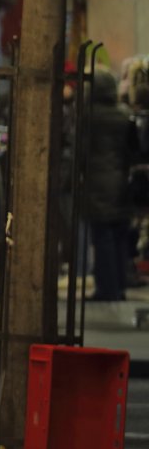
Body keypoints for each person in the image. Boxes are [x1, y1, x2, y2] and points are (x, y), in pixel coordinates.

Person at [82, 70, 138, 302]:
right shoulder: (124, 115)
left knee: (102, 237)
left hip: (97, 183)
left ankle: (107, 289)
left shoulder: (88, 116)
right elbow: (132, 152)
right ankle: (120, 286)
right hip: (122, 183)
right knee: (119, 237)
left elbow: (82, 151)